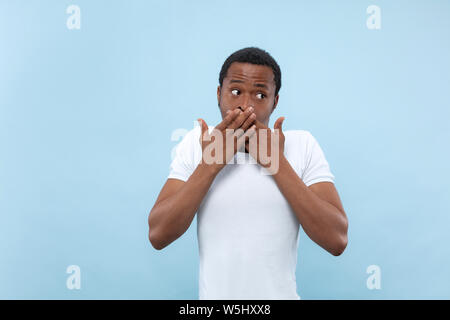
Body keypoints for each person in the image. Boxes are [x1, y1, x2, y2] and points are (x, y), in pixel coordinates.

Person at [148, 47, 348, 300]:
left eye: (261, 95)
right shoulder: (197, 143)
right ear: (219, 94)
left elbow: (336, 240)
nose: (246, 106)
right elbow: (158, 234)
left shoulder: (301, 144)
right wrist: (211, 164)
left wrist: (277, 163)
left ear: (275, 101)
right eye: (235, 92)